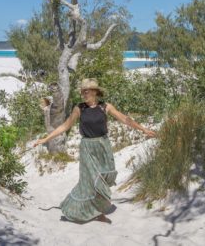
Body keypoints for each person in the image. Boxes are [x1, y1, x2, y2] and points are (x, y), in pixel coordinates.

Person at [32, 78, 157, 223]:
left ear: (95, 92)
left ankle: (97, 209)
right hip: (87, 148)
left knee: (104, 178)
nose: (84, 94)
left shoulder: (105, 107)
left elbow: (125, 119)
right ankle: (97, 213)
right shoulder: (79, 108)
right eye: (82, 91)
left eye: (87, 91)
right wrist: (46, 139)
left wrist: (143, 129)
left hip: (103, 146)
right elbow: (65, 126)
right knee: (90, 181)